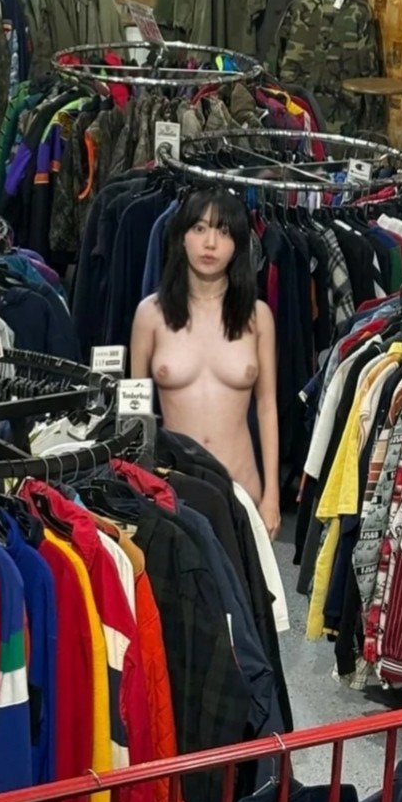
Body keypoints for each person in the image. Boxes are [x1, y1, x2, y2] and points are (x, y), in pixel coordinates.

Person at [130, 186, 280, 538]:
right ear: (181, 236)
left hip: (241, 484)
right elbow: (134, 410)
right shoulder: (150, 315)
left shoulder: (258, 316)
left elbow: (267, 407)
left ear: (238, 244)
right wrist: (134, 479)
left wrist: (272, 493)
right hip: (173, 487)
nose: (210, 243)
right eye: (199, 228)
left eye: (223, 232)